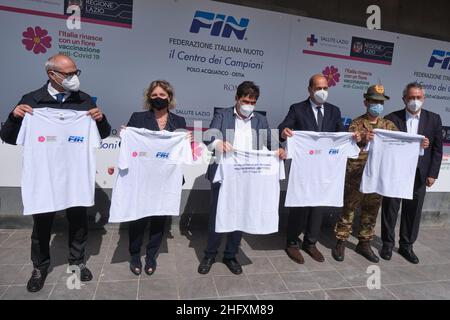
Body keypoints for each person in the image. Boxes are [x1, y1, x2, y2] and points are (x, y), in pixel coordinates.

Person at [0, 53, 111, 292]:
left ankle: (77, 262)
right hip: (44, 176)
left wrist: (100, 120)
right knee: (42, 225)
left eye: (75, 72)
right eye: (69, 74)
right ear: (52, 74)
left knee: (79, 221)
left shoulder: (84, 100)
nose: (74, 78)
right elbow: (8, 137)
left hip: (75, 175)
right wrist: (14, 117)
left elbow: (103, 133)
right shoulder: (31, 100)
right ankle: (39, 267)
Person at [198, 81, 286, 275]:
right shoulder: (223, 115)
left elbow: (272, 143)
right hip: (224, 175)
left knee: (241, 214)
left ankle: (230, 255)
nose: (248, 105)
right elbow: (208, 137)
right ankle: (210, 255)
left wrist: (280, 150)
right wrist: (219, 143)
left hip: (248, 176)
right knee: (217, 215)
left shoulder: (260, 120)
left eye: (252, 102)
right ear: (236, 98)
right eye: (245, 100)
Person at [278, 74, 358, 264]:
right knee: (300, 204)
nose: (322, 92)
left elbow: (340, 135)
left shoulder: (334, 111)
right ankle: (292, 243)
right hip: (304, 168)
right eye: (318, 88)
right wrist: (284, 132)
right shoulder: (297, 108)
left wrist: (352, 138)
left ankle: (310, 243)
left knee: (318, 206)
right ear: (310, 90)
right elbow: (284, 127)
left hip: (325, 168)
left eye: (325, 88)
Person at [124, 80, 190, 276]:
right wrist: (126, 135)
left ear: (169, 97)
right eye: (154, 95)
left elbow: (181, 153)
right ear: (148, 98)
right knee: (138, 218)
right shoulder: (138, 118)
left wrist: (187, 142)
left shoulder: (179, 121)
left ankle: (151, 255)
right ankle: (135, 255)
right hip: (142, 177)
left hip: (166, 178)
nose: (158, 98)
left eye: (162, 95)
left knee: (159, 218)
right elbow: (130, 146)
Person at [332, 84, 398, 263]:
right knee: (349, 209)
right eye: (374, 101)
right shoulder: (356, 123)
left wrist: (419, 145)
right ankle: (341, 241)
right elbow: (347, 145)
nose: (377, 105)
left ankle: (364, 243)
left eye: (380, 102)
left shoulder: (389, 126)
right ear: (366, 102)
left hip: (377, 177)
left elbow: (398, 146)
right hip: (356, 176)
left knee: (371, 211)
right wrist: (361, 138)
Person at [380, 82, 441, 264]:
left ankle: (406, 245)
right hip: (396, 173)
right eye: (411, 98)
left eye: (418, 98)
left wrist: (433, 174)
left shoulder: (434, 119)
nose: (415, 101)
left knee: (413, 212)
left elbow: (437, 150)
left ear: (424, 99)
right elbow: (386, 146)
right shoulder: (392, 118)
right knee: (390, 209)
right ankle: (387, 244)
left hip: (419, 173)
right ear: (404, 99)